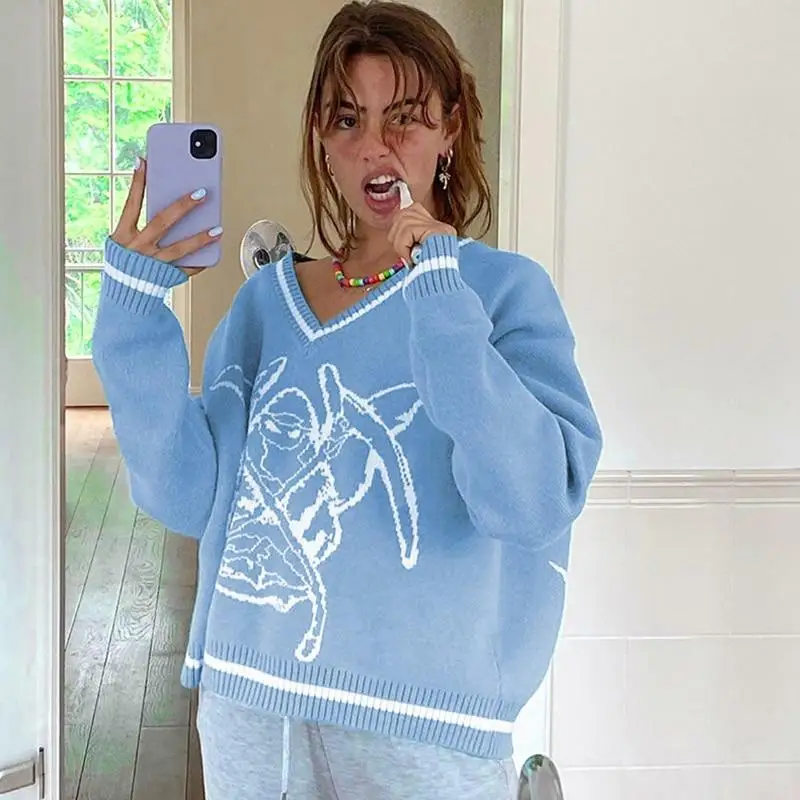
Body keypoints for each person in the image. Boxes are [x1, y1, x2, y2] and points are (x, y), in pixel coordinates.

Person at [92, 2, 602, 798]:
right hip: (249, 702)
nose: (374, 146)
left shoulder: (502, 293)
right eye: (347, 118)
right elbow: (186, 495)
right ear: (322, 141)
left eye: (405, 117)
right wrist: (134, 313)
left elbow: (531, 504)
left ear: (451, 128)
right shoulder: (266, 305)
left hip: (422, 726)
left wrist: (440, 293)